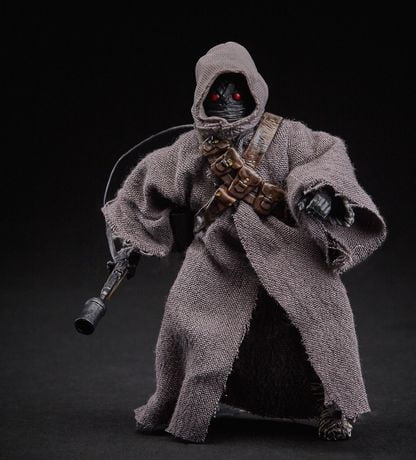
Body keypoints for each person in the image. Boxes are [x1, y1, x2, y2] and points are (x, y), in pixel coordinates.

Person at [102, 41, 387, 443]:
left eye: (237, 94)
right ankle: (189, 404)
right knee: (190, 320)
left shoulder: (288, 136)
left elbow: (326, 155)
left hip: (287, 250)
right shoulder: (190, 150)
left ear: (254, 90)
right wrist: (133, 238)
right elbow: (147, 185)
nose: (227, 102)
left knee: (324, 320)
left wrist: (321, 191)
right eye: (216, 94)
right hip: (217, 255)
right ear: (202, 97)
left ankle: (336, 407)